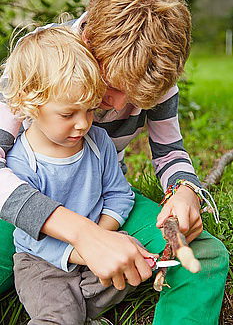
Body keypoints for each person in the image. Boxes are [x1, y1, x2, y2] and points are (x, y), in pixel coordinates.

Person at [0, 0, 229, 324]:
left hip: (99, 198)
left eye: (135, 97)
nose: (117, 104)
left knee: (203, 255)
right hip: (18, 210)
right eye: (109, 83)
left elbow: (169, 152)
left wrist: (183, 190)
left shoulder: (151, 72)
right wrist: (82, 234)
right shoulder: (40, 59)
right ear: (88, 37)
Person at [3, 25, 147, 324]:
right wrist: (85, 250)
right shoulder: (22, 161)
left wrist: (103, 239)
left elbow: (119, 194)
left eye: (90, 110)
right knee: (60, 314)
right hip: (42, 261)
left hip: (94, 245)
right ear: (29, 103)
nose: (83, 125)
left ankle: (84, 312)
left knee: (133, 268)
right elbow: (32, 236)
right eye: (68, 114)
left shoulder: (98, 143)